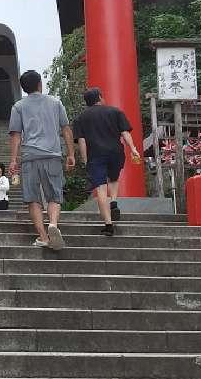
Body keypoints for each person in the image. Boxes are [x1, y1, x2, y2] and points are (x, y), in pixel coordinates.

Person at [8, 69, 75, 251]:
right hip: (53, 155)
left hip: (30, 157)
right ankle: (53, 223)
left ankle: (44, 237)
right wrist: (71, 154)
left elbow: (15, 135)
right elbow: (66, 129)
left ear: (24, 88)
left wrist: (13, 160)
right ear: (40, 84)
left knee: (33, 199)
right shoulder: (55, 103)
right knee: (54, 195)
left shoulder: (18, 106)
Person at [73, 87, 141, 235]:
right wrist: (133, 149)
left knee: (101, 189)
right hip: (115, 152)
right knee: (113, 178)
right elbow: (125, 133)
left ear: (86, 102)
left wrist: (86, 161)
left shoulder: (80, 118)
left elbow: (82, 142)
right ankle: (114, 201)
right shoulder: (115, 112)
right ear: (100, 97)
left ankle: (108, 224)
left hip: (95, 155)